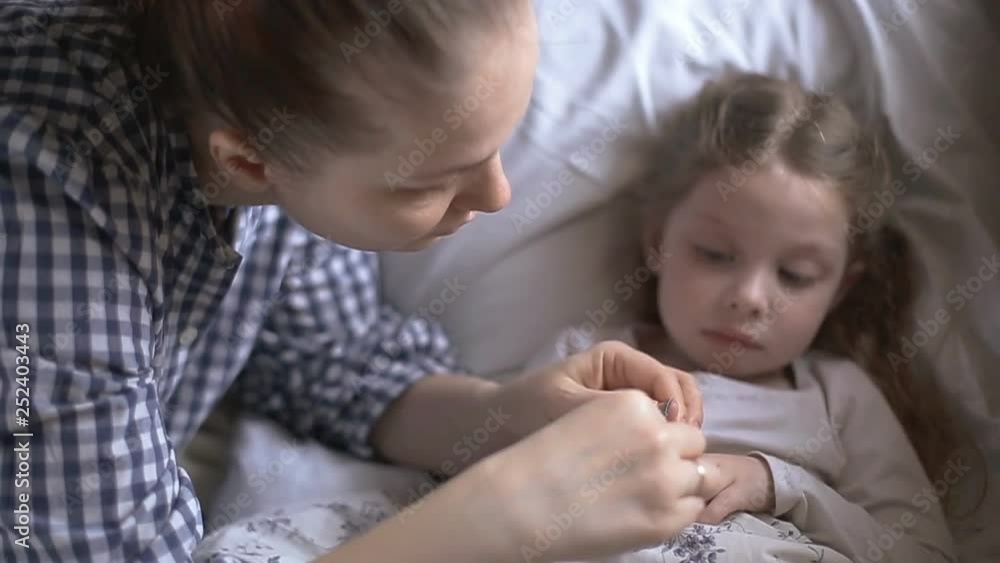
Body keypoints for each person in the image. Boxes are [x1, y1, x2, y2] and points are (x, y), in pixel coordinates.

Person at [0, 2, 712, 562]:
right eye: (428, 181)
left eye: (497, 145)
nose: (497, 196)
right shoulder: (46, 202)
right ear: (249, 162)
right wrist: (509, 513)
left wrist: (501, 418)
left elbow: (329, 361)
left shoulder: (270, 97)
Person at [524, 72, 978, 562]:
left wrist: (780, 485)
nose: (750, 298)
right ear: (658, 242)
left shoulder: (838, 397)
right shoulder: (588, 362)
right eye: (716, 254)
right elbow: (494, 496)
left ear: (840, 288)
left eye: (796, 275)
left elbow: (925, 554)